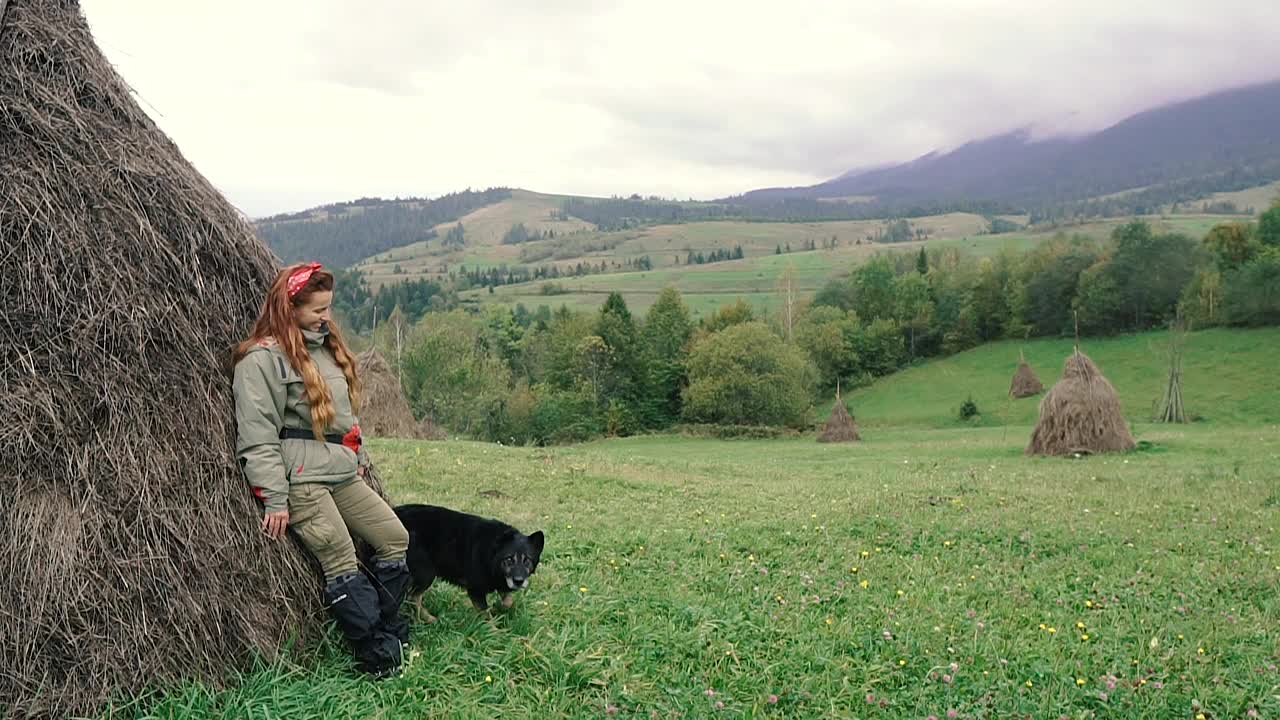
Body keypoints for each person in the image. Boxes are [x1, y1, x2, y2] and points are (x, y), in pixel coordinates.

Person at [231, 261, 410, 678]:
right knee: (341, 560)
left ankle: (387, 626)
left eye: (328, 308)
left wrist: (359, 460)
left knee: (394, 537)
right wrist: (273, 498)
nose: (326, 317)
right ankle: (373, 655)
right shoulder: (261, 361)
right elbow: (258, 435)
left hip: (341, 471)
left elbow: (345, 420)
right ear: (289, 307)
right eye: (317, 310)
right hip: (302, 479)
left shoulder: (326, 348)